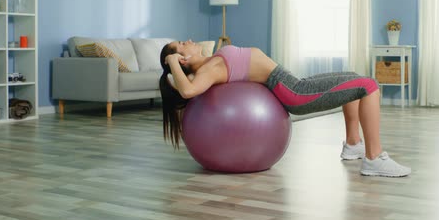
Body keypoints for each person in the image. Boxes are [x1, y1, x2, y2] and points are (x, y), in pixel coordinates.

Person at [159, 40, 411, 177]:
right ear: (183, 60)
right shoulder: (209, 70)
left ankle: (353, 145)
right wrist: (172, 62)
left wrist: (177, 61)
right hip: (293, 92)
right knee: (368, 85)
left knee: (355, 79)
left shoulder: (211, 61)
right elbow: (188, 91)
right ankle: (374, 158)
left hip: (292, 81)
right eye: (183, 44)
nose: (190, 41)